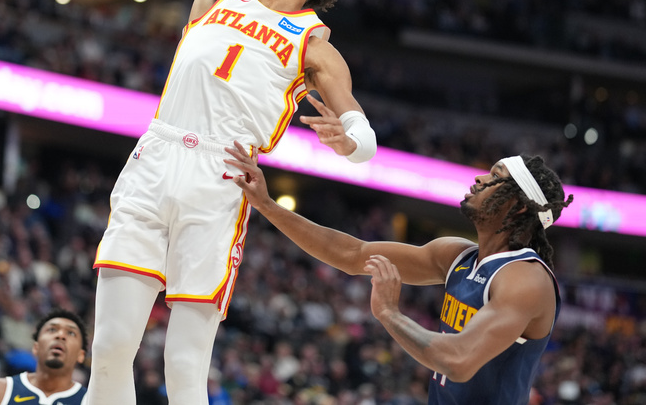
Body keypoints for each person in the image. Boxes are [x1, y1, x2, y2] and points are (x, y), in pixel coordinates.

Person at [87, 0, 375, 405]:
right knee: (112, 345)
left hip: (221, 179)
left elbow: (359, 129)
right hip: (157, 154)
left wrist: (351, 142)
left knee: (183, 365)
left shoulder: (314, 43)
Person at [225, 146, 573, 405]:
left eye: (495, 177)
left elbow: (458, 360)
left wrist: (389, 314)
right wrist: (267, 206)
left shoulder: (525, 279)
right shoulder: (457, 255)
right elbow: (352, 254)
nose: (480, 178)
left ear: (519, 205)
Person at [0, 308, 88, 405]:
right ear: (35, 347)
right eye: (52, 329)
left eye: (71, 333)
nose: (60, 335)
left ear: (81, 355)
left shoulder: (89, 401)